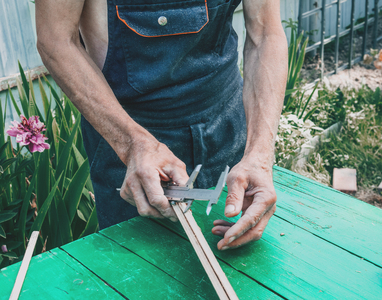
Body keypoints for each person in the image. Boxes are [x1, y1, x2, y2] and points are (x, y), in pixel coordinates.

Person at [35, 0, 288, 251]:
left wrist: (259, 155)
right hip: (128, 137)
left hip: (227, 126)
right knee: (140, 272)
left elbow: (266, 34)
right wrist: (132, 144)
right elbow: (57, 41)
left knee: (240, 263)